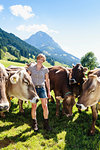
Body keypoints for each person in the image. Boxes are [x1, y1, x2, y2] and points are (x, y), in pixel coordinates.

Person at [27, 54, 51, 132]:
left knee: (45, 106)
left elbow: (47, 80)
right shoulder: (31, 68)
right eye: (39, 59)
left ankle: (46, 124)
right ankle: (34, 124)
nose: (40, 61)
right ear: (37, 59)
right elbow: (27, 78)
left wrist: (49, 91)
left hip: (42, 88)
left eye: (42, 59)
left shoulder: (45, 69)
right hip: (33, 89)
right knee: (34, 106)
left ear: (43, 61)